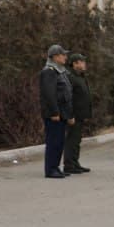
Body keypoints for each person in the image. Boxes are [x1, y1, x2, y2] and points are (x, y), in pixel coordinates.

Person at [39, 44, 73, 179]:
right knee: (53, 141)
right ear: (55, 57)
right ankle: (50, 169)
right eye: (62, 55)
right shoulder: (49, 71)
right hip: (54, 114)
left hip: (62, 112)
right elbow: (49, 94)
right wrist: (54, 113)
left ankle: (56, 167)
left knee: (59, 142)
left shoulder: (60, 71)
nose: (65, 57)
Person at [64, 52, 91, 174]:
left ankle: (75, 163)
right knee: (72, 140)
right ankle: (69, 165)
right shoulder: (70, 76)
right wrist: (70, 115)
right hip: (74, 114)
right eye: (82, 62)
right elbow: (68, 98)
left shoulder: (80, 76)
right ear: (75, 63)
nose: (84, 64)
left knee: (77, 140)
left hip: (81, 114)